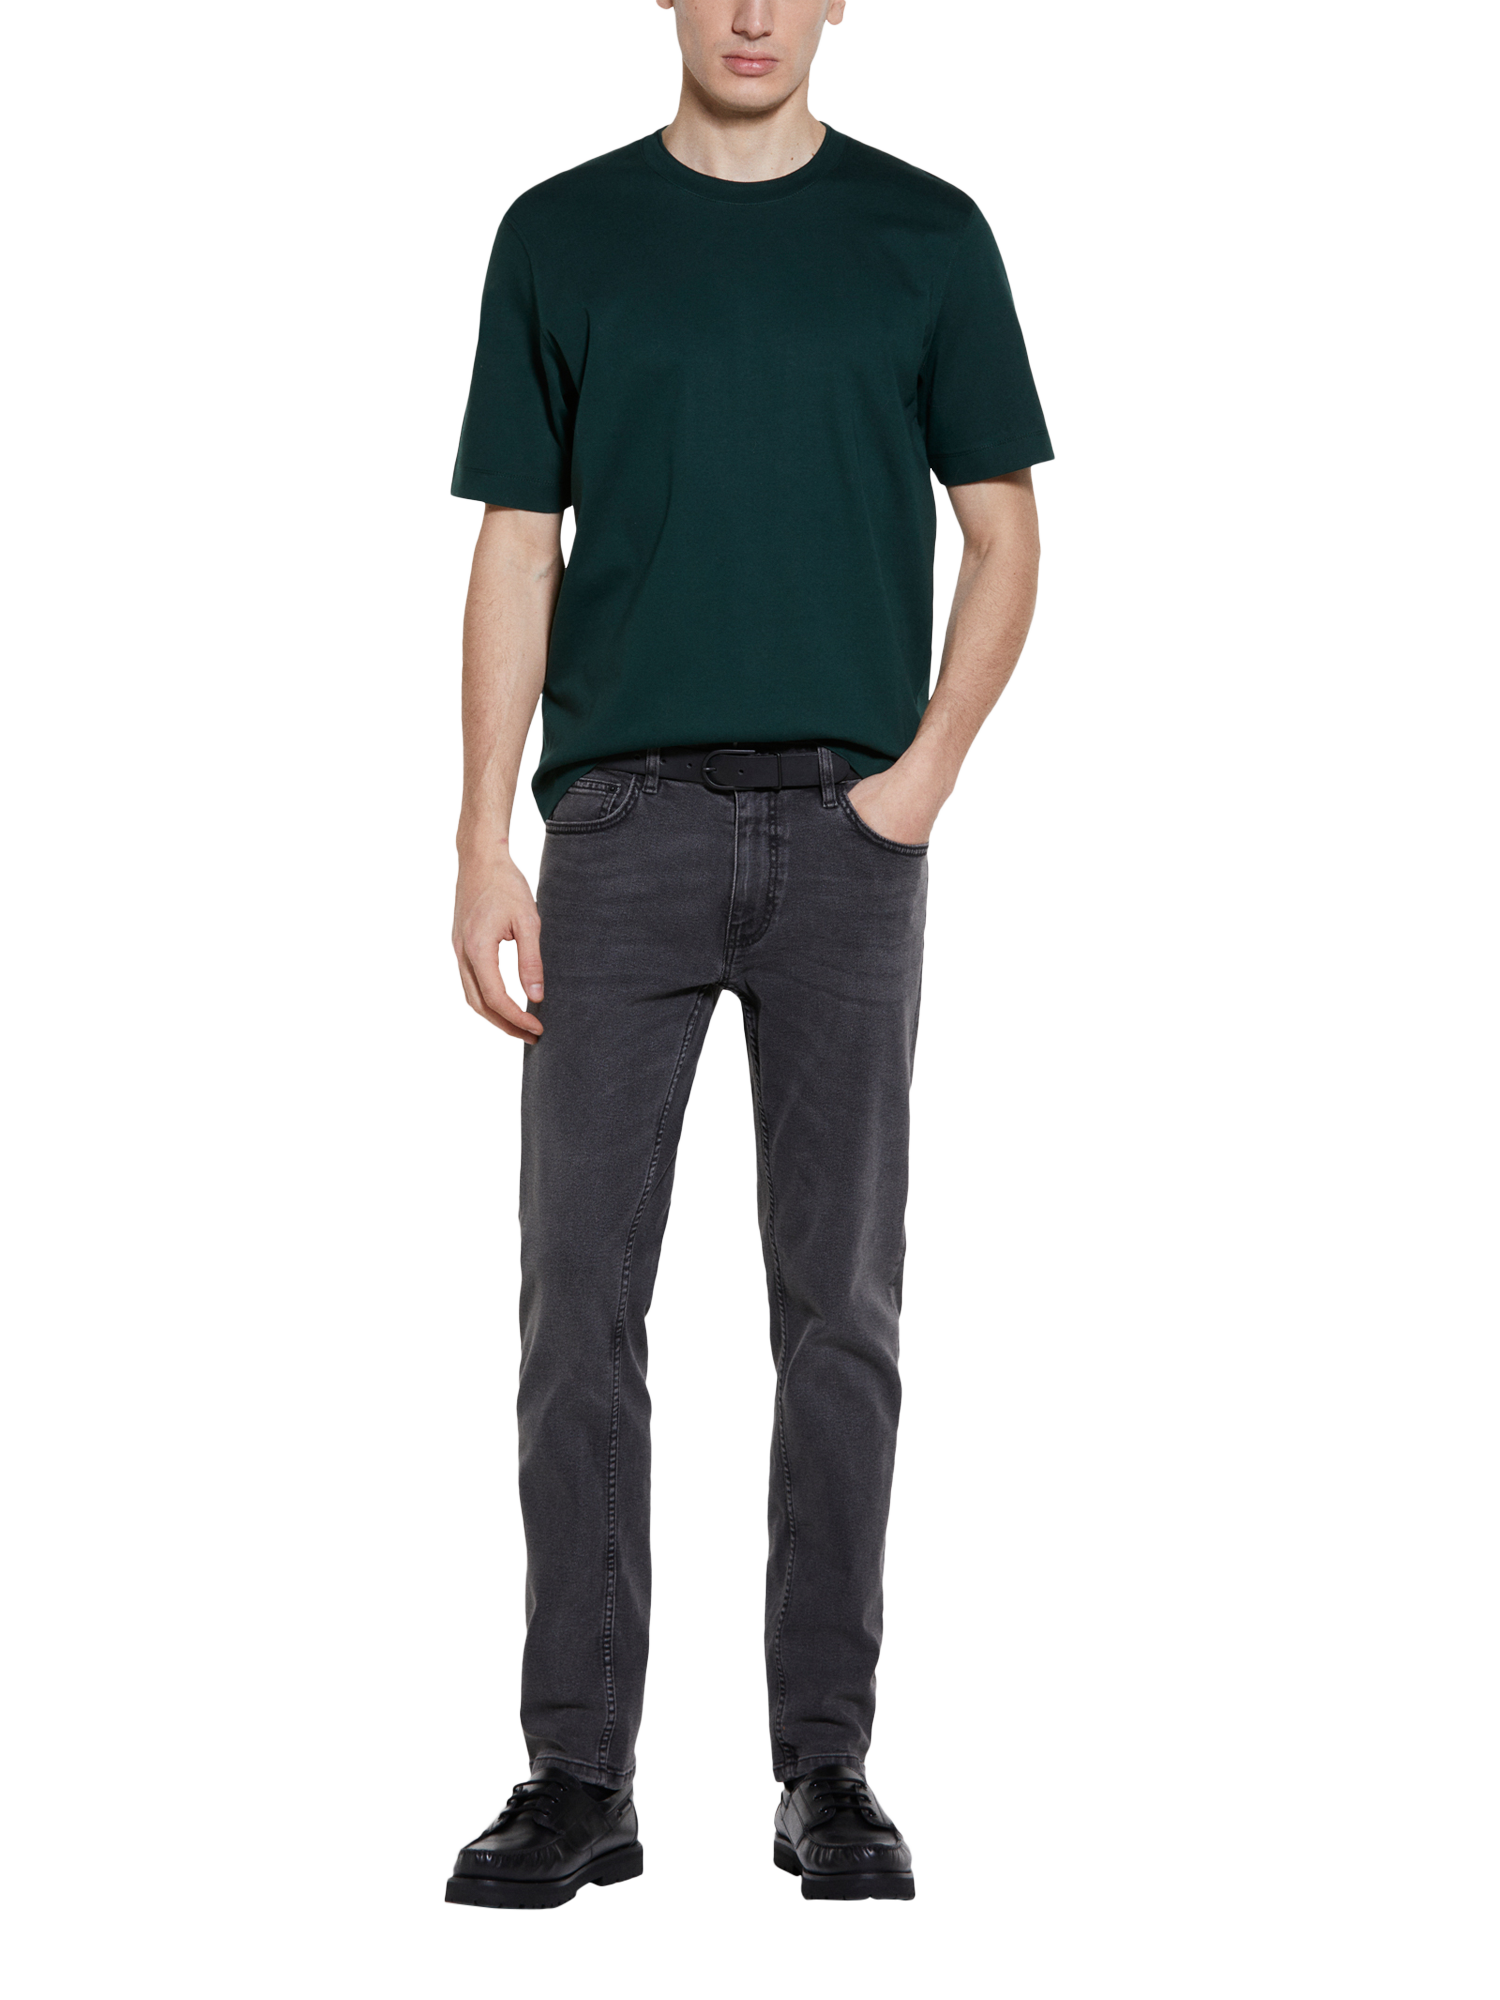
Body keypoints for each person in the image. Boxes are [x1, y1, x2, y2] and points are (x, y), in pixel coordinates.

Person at [443, 0, 1051, 1910]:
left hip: (851, 829)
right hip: (618, 828)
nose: (756, 12)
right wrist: (482, 837)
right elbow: (518, 542)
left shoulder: (926, 234)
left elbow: (1007, 531)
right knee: (577, 1311)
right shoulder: (562, 233)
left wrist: (921, 779)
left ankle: (827, 1769)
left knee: (840, 1314)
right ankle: (577, 1775)